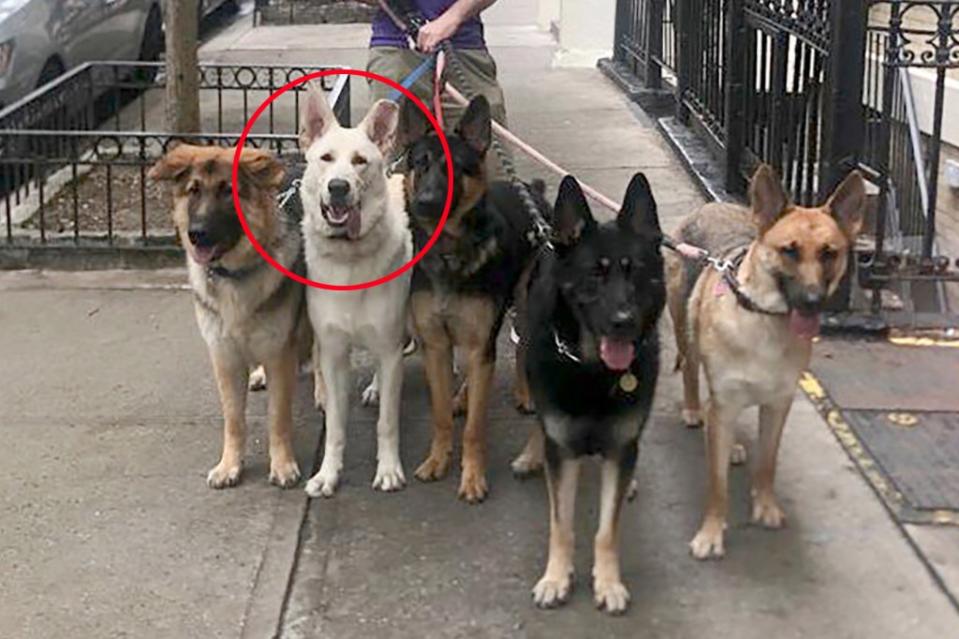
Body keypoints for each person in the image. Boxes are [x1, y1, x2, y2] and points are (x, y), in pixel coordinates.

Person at [363, 0, 509, 174]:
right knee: (390, 168)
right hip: (397, 48)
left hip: (464, 48)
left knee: (494, 168)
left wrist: (452, 18)